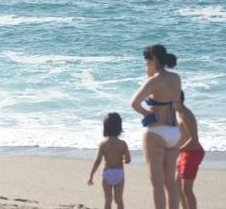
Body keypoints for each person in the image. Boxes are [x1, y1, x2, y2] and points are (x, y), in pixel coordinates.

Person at [130, 44, 182, 209]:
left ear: (153, 60)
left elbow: (134, 103)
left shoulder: (152, 81)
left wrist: (147, 115)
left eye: (146, 62)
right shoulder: (176, 77)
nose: (145, 65)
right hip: (174, 132)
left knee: (157, 182)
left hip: (156, 132)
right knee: (171, 182)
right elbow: (176, 101)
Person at [87, 113, 131, 209]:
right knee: (119, 200)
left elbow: (98, 161)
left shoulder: (103, 144)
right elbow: (128, 160)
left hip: (107, 173)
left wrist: (91, 175)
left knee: (108, 200)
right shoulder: (123, 144)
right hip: (119, 173)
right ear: (119, 127)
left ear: (105, 127)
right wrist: (122, 160)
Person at [176, 91, 204, 209]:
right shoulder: (177, 113)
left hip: (193, 153)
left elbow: (194, 139)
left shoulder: (186, 115)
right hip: (184, 152)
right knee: (177, 186)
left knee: (186, 189)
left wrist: (178, 150)